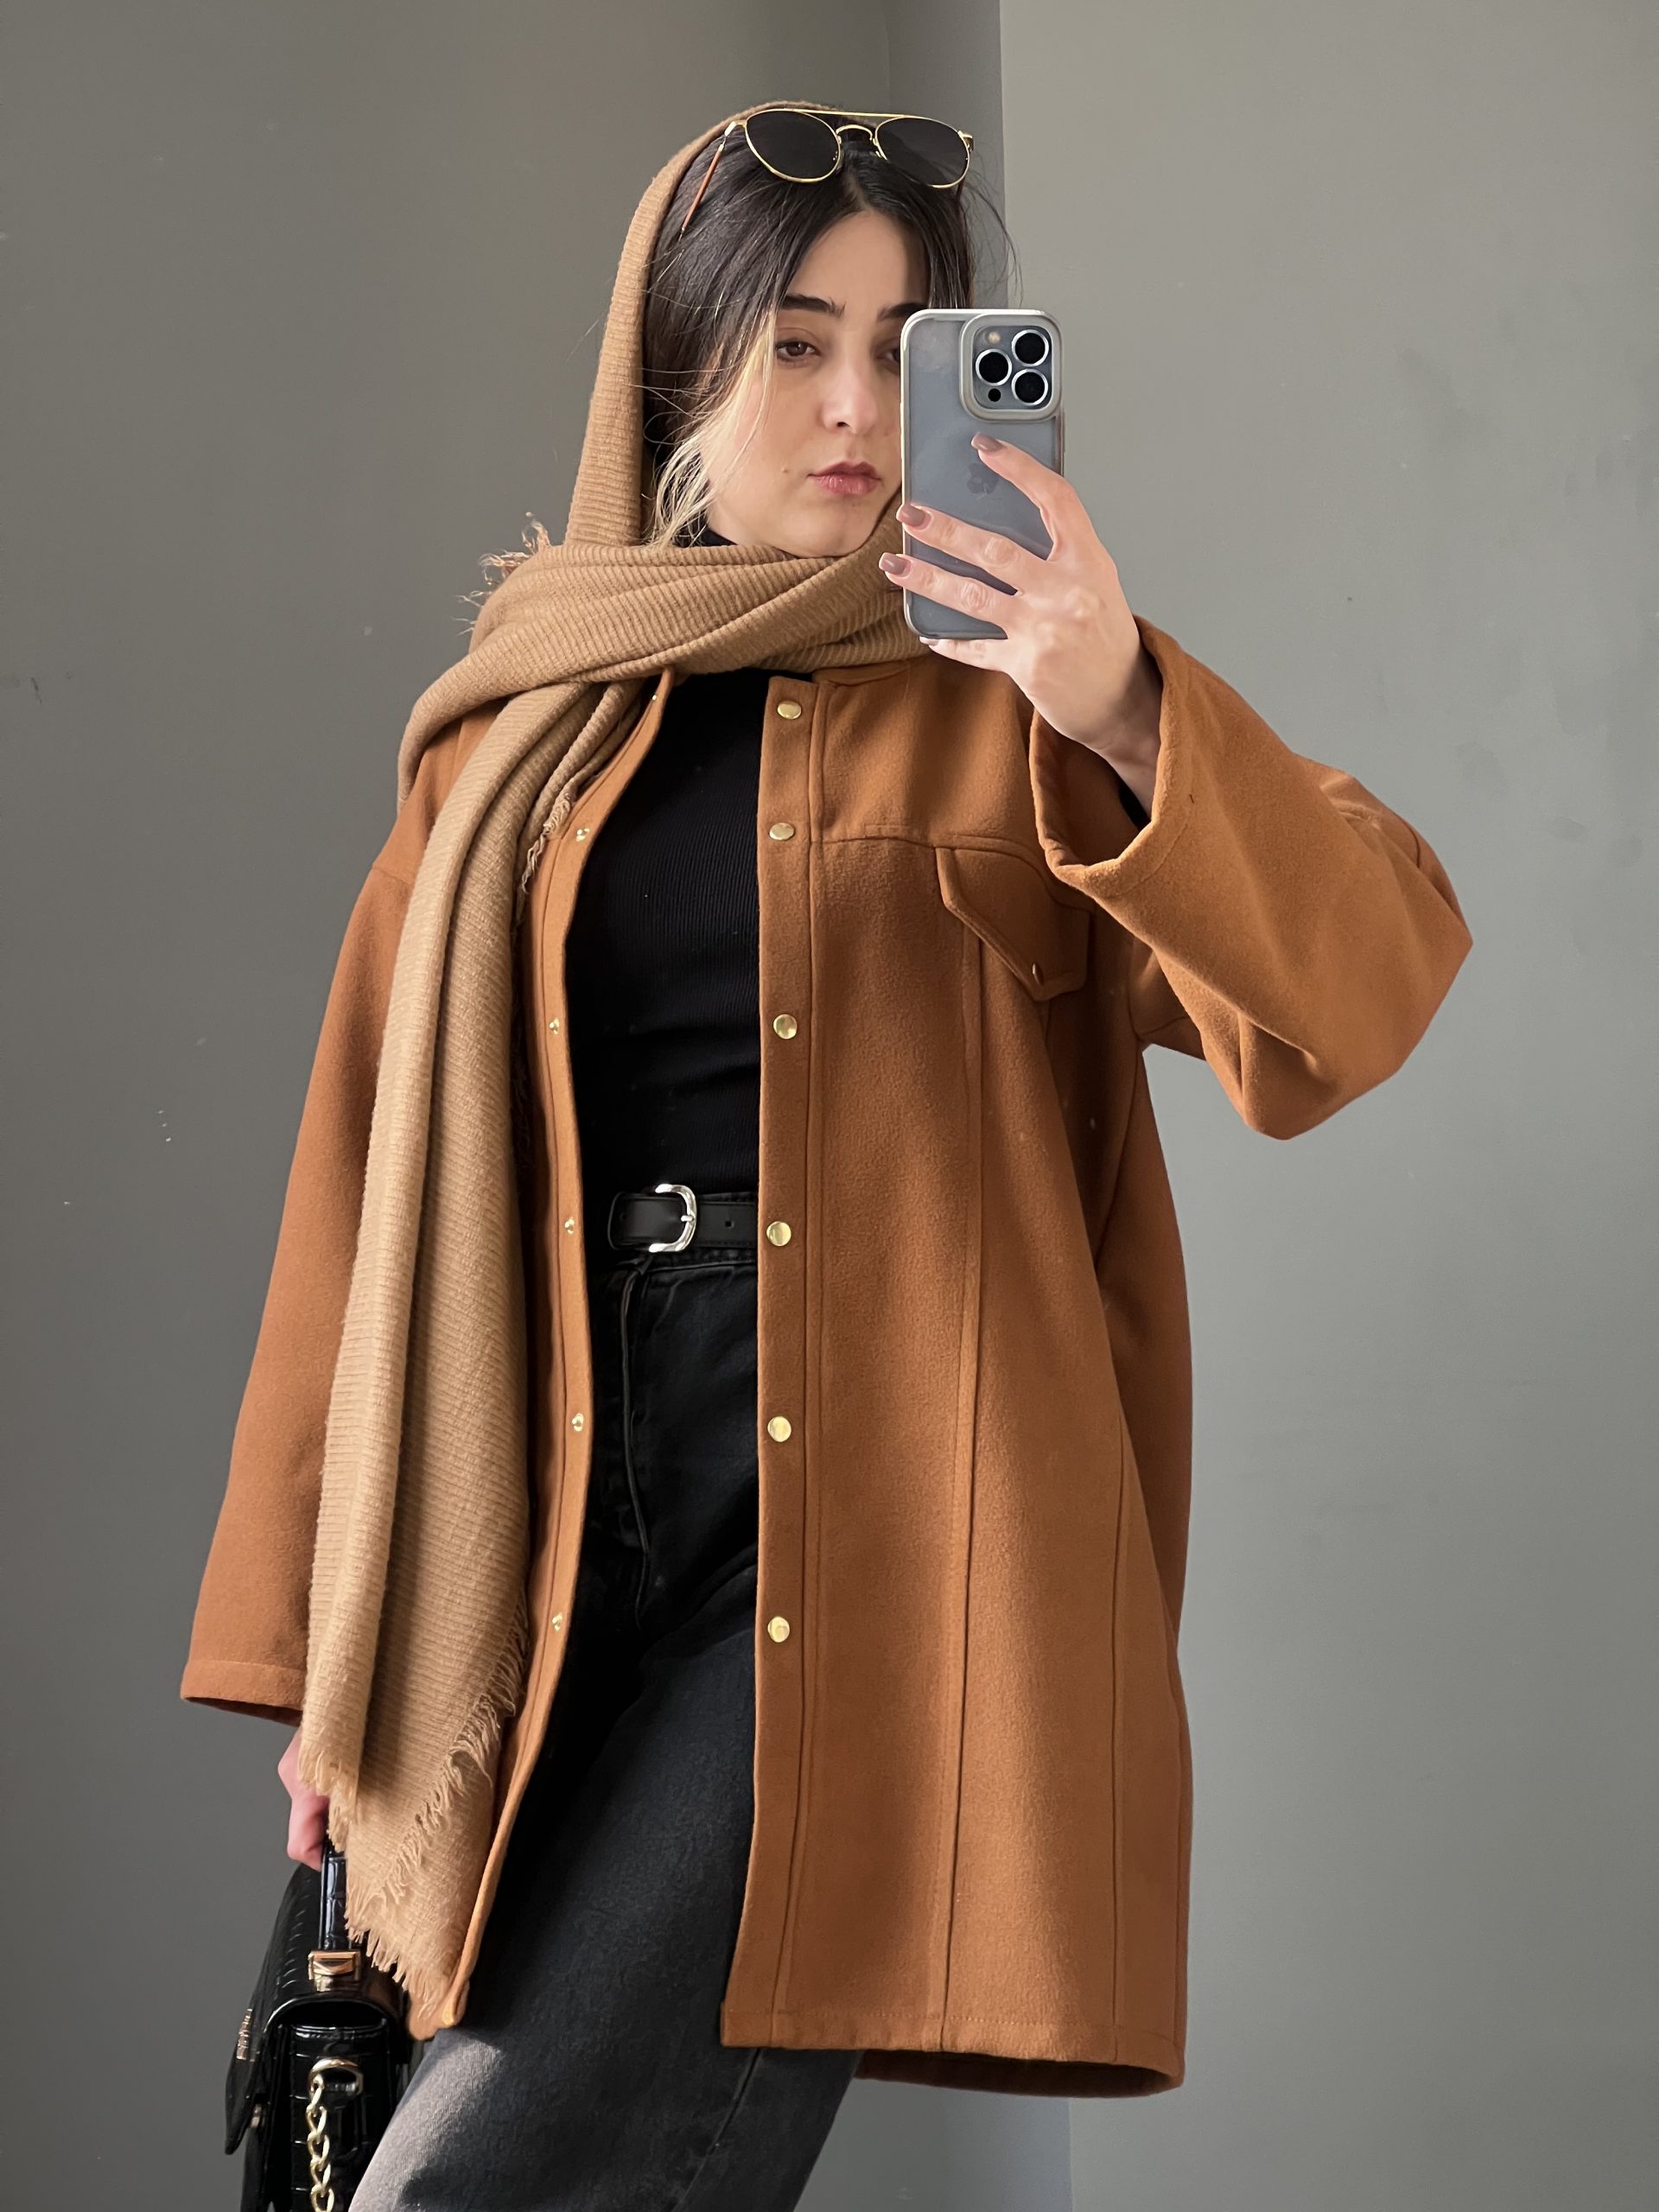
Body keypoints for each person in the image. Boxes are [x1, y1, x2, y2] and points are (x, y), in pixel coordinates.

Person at [182, 100, 1472, 2212]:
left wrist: (1124, 700)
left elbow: (1366, 986)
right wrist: (331, 1666)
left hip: (863, 1538)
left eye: (902, 344)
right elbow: (359, 1207)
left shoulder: (1027, 702)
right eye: (795, 343)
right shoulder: (517, 733)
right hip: (535, 1529)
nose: (859, 406)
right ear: (679, 365)